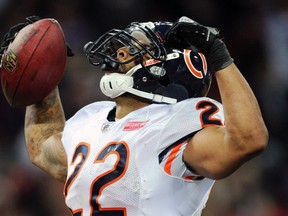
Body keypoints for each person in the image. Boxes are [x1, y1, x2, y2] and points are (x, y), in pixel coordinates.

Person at [1, 16, 268, 215]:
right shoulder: (93, 119)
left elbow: (248, 140)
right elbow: (43, 147)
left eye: (135, 49)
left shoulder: (178, 124)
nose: (119, 52)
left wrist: (219, 57)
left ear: (168, 67)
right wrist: (39, 74)